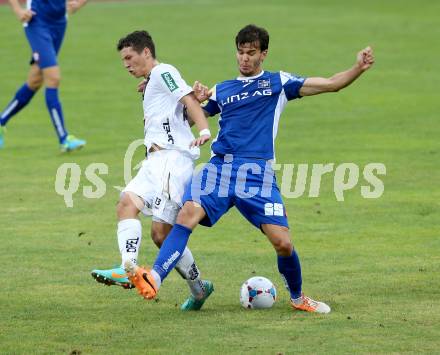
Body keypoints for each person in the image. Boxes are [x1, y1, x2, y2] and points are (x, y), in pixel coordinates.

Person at [127, 24, 375, 314]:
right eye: (240, 52)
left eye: (251, 53)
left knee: (283, 243)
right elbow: (184, 119)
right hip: (220, 169)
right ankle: (153, 277)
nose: (244, 58)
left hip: (258, 175)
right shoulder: (222, 90)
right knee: (187, 214)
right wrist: (164, 94)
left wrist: (357, 68)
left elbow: (332, 83)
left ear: (264, 54)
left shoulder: (278, 83)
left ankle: (297, 298)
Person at [91, 30, 214, 311]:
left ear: (146, 52)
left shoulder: (163, 73)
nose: (126, 64)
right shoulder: (153, 83)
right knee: (125, 204)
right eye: (123, 59)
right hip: (153, 162)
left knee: (161, 234)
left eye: (129, 57)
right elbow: (180, 117)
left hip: (172, 162)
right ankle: (127, 266)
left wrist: (205, 130)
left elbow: (189, 101)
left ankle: (199, 289)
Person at [0, 0, 88, 152]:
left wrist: (80, 3)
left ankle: (1, 121)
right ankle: (64, 138)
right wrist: (18, 11)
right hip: (36, 22)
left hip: (60, 23)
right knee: (53, 78)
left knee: (35, 81)